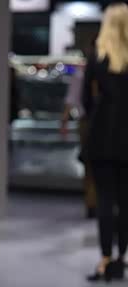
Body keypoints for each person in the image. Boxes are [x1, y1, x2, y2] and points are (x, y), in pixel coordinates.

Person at [82, 3, 128, 282]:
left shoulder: (97, 57)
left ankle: (105, 259)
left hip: (101, 136)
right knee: (125, 201)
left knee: (105, 200)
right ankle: (122, 257)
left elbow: (86, 100)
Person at [61, 46, 97, 220]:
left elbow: (71, 98)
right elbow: (72, 98)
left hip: (92, 122)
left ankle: (94, 202)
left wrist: (64, 120)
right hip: (89, 122)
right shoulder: (82, 73)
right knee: (91, 163)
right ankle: (93, 202)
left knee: (92, 165)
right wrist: (64, 120)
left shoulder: (83, 73)